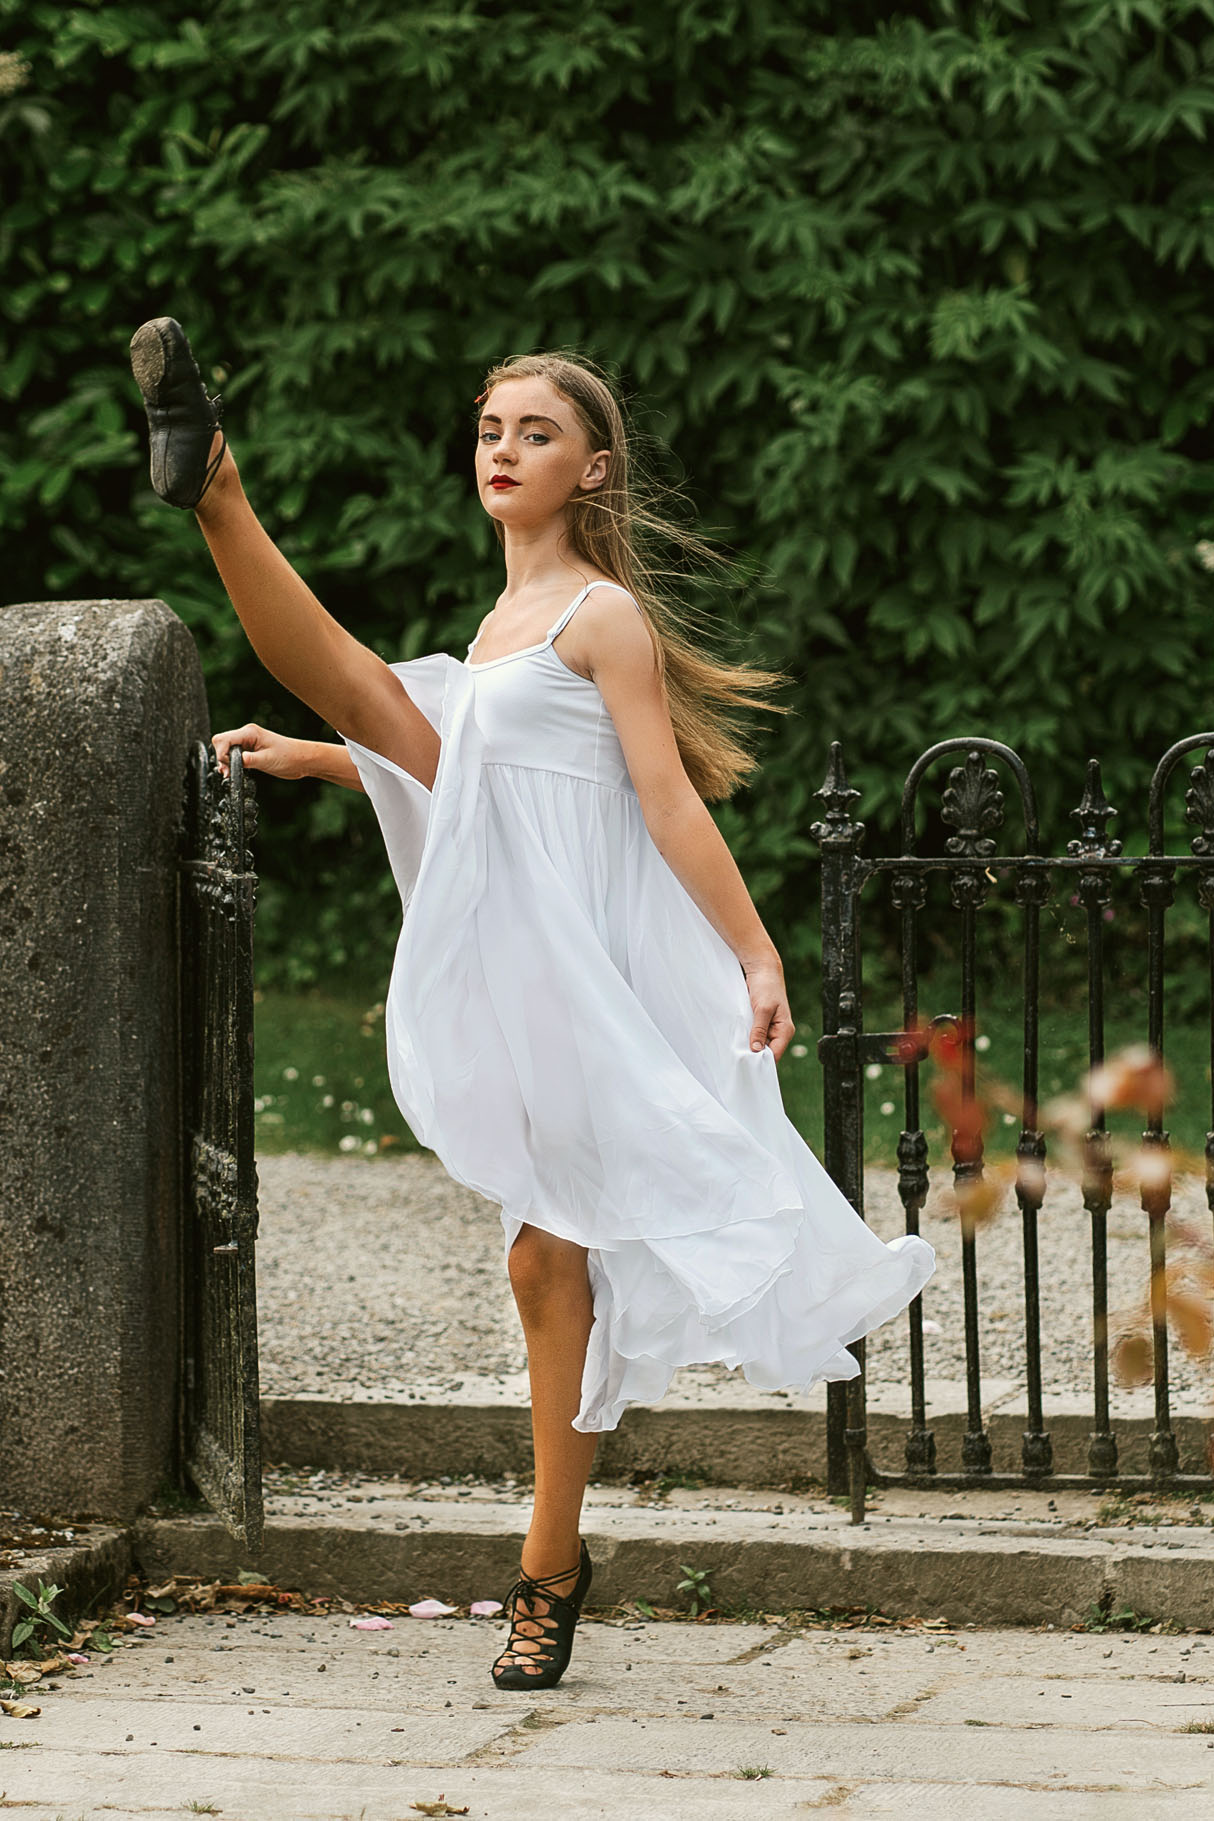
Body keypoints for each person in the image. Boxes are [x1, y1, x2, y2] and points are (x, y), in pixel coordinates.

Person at [128, 318, 936, 1692]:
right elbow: (458, 764)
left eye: (537, 433)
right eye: (493, 429)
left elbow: (663, 796)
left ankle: (547, 1569)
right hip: (526, 948)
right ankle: (214, 491)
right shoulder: (497, 623)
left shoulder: (596, 614)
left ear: (596, 469)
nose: (504, 448)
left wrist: (754, 952)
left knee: (542, 1260)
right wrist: (325, 760)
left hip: (592, 965)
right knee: (546, 1259)